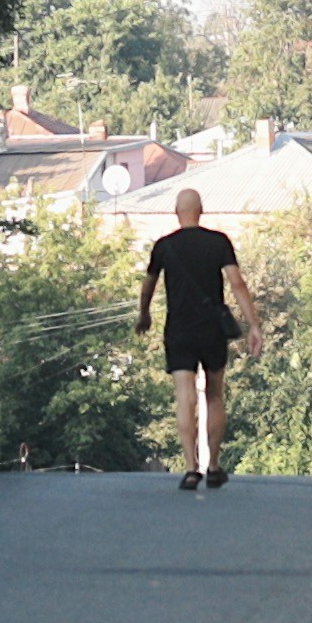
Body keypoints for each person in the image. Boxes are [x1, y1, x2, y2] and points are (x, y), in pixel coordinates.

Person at [137, 188, 251, 489]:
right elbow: (237, 283)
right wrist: (254, 324)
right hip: (212, 328)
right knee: (214, 394)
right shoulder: (218, 242)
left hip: (179, 329)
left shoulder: (164, 247)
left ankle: (190, 469)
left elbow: (148, 286)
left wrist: (144, 315)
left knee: (185, 397)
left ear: (177, 213)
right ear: (201, 211)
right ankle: (213, 466)